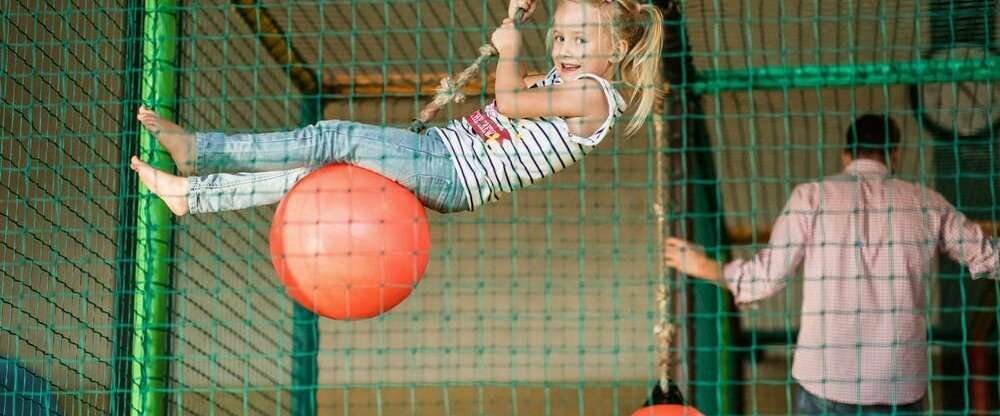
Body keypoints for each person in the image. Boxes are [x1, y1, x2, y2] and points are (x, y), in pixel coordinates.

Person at [129, 0, 664, 216]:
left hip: (451, 172)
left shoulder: (594, 95)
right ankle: (193, 194)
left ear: (616, 51)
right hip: (441, 153)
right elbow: (516, 93)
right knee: (322, 172)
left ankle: (200, 152)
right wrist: (519, 19)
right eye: (560, 38)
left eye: (580, 41)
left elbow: (510, 99)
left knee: (332, 136)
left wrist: (511, 50)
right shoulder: (569, 81)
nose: (565, 50)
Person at [663, 114, 999, 414]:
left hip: (825, 378)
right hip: (898, 383)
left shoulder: (811, 197)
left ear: (845, 154)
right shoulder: (927, 202)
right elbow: (987, 256)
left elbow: (765, 278)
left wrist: (705, 266)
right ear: (894, 154)